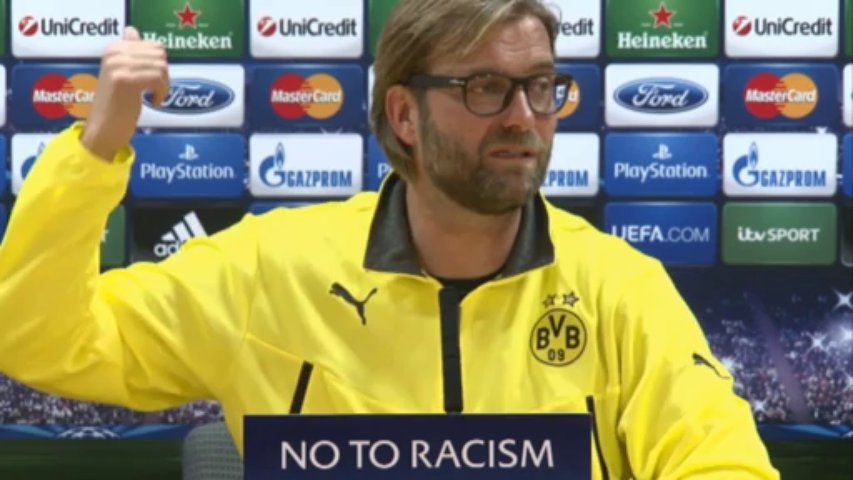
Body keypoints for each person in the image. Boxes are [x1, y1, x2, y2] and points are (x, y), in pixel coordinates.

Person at [0, 0, 779, 478]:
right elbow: (39, 339)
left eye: (541, 86)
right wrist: (95, 150)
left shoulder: (617, 286)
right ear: (404, 114)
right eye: (485, 87)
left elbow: (719, 462)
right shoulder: (269, 269)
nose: (523, 117)